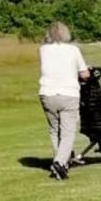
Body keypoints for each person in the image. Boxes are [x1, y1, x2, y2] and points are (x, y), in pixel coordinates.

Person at [38, 21, 89, 180]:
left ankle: (60, 162)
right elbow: (84, 74)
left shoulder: (43, 50)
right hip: (68, 93)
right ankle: (60, 162)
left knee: (55, 130)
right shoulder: (73, 50)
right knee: (68, 132)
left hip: (47, 93)